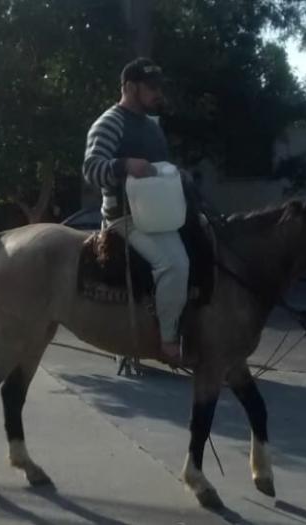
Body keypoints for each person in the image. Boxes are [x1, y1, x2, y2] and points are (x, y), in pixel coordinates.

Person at [82, 57, 189, 365]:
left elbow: (160, 171)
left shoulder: (153, 128)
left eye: (159, 88)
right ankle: (168, 340)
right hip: (125, 218)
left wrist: (177, 175)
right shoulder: (110, 122)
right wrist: (124, 164)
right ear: (129, 87)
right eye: (151, 88)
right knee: (175, 265)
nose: (158, 94)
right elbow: (92, 168)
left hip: (162, 214)